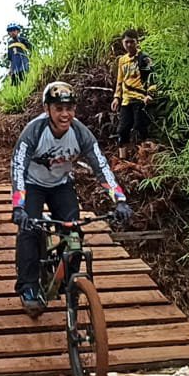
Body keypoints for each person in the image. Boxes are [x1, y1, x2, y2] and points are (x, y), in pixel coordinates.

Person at [11, 81, 133, 314]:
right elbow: (18, 166)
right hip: (32, 184)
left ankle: (70, 281)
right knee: (29, 231)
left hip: (61, 184)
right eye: (58, 108)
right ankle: (28, 287)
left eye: (69, 108)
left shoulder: (80, 133)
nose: (65, 114)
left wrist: (120, 200)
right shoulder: (34, 131)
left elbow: (101, 166)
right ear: (47, 109)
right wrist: (19, 207)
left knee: (74, 232)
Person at [110, 29, 155, 160]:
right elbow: (120, 81)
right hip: (126, 100)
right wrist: (116, 97)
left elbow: (152, 78)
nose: (129, 45)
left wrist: (150, 94)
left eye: (132, 42)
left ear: (137, 42)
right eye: (126, 42)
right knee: (122, 130)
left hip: (140, 98)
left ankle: (145, 159)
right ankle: (122, 160)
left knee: (140, 127)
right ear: (122, 43)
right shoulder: (122, 60)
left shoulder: (144, 58)